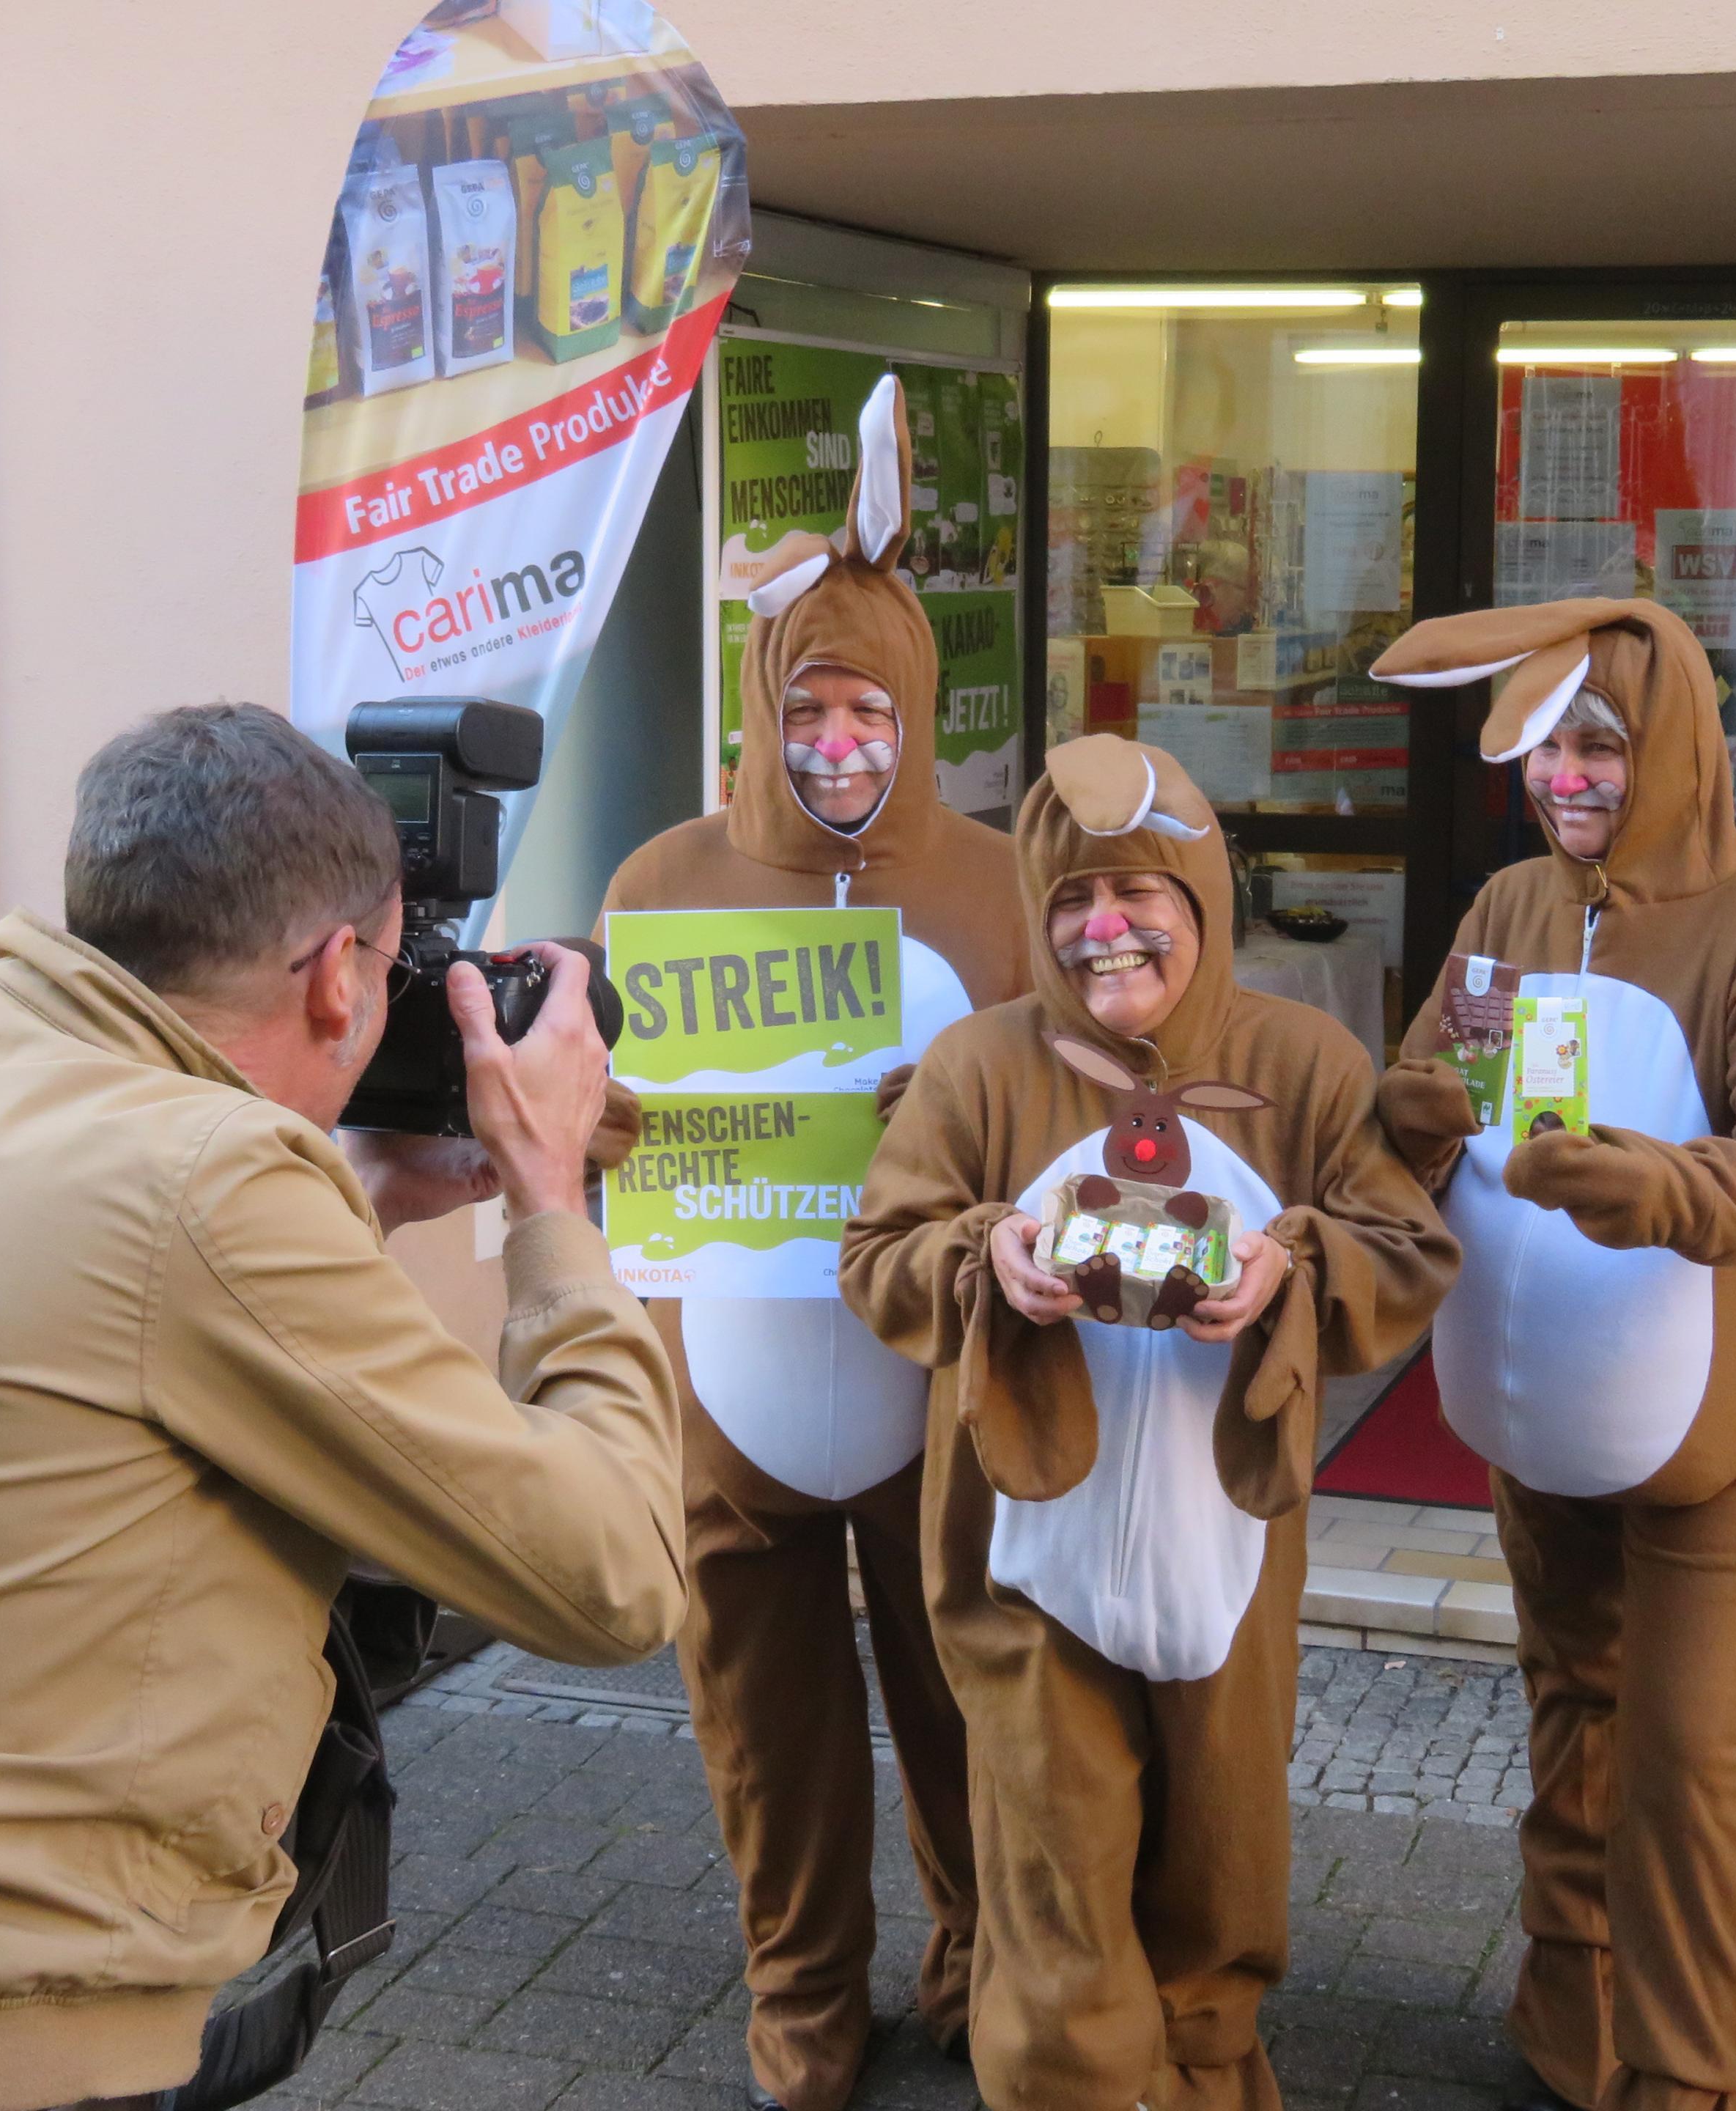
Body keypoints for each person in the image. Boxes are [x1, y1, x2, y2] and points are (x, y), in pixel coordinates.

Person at [0, 703, 687, 2111]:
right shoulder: (203, 1187)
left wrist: (369, 1197)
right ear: (338, 978)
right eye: (397, 971)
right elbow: (613, 1580)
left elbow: (97, 1306)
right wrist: (553, 1204)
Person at [842, 734, 1457, 2111]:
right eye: (1068, 901)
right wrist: (982, 1257)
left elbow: (1401, 1251)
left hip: (1227, 1558)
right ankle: (1064, 2081)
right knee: (1055, 1877)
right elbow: (878, 1253)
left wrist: (1290, 1265)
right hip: (1016, 1553)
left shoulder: (1299, 1059)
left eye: (1137, 897)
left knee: (1218, 1875)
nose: (1103, 931)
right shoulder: (979, 1066)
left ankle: (1200, 2075)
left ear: (1203, 900)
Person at [594, 375, 1031, 2111]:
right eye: (809, 708)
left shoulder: (1003, 885)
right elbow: (602, 1112)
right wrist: (609, 1136)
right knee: (764, 1728)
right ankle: (802, 1991)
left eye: (870, 709)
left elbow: (1074, 1110)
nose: (837, 742)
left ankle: (982, 1954)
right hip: (740, 1383)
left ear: (918, 712)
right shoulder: (662, 880)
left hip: (942, 1393)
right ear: (761, 713)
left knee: (967, 1706)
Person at [1370, 598, 1736, 2111]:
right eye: (1541, 749)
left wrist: (1657, 1188)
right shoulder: (1513, 903)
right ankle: (1565, 2023)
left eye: (1599, 744)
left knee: (1685, 1758)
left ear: (1675, 750)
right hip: (1548, 1415)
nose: (1567, 777)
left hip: (1727, 1419)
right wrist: (1416, 1109)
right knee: (1572, 1706)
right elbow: (1430, 1072)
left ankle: (1681, 2075)